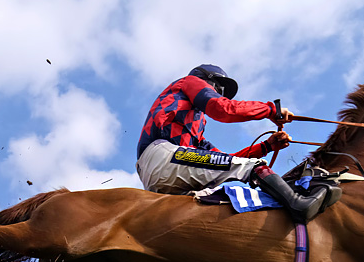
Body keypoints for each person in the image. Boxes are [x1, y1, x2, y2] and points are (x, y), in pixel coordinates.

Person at [136, 64, 335, 223]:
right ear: (206, 80)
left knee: (230, 174)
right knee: (253, 168)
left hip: (166, 169)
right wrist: (270, 110)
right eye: (219, 88)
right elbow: (223, 109)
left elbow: (228, 160)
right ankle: (297, 204)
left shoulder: (195, 131)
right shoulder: (189, 82)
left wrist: (267, 146)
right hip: (160, 154)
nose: (221, 94)